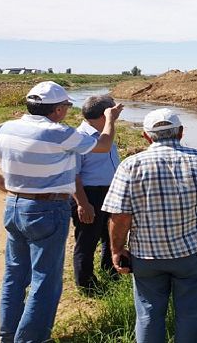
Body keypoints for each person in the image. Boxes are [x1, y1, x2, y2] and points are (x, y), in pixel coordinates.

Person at [0, 81, 123, 343]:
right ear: (58, 110)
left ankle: (8, 335)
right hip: (48, 209)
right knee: (45, 279)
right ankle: (31, 339)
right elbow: (103, 145)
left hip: (15, 206)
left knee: (15, 275)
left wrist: (2, 183)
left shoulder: (6, 128)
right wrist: (110, 118)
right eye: (66, 107)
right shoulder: (59, 132)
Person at [102, 108, 197, 343]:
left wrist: (116, 249)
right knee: (191, 313)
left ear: (146, 136)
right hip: (191, 254)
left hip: (146, 256)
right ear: (181, 132)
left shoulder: (130, 166)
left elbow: (120, 216)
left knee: (148, 314)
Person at [71, 95, 121, 294]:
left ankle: (111, 274)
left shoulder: (105, 133)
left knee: (111, 237)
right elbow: (72, 176)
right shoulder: (80, 138)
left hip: (110, 192)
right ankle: (86, 285)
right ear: (105, 114)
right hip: (89, 194)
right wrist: (82, 203)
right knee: (87, 240)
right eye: (113, 111)